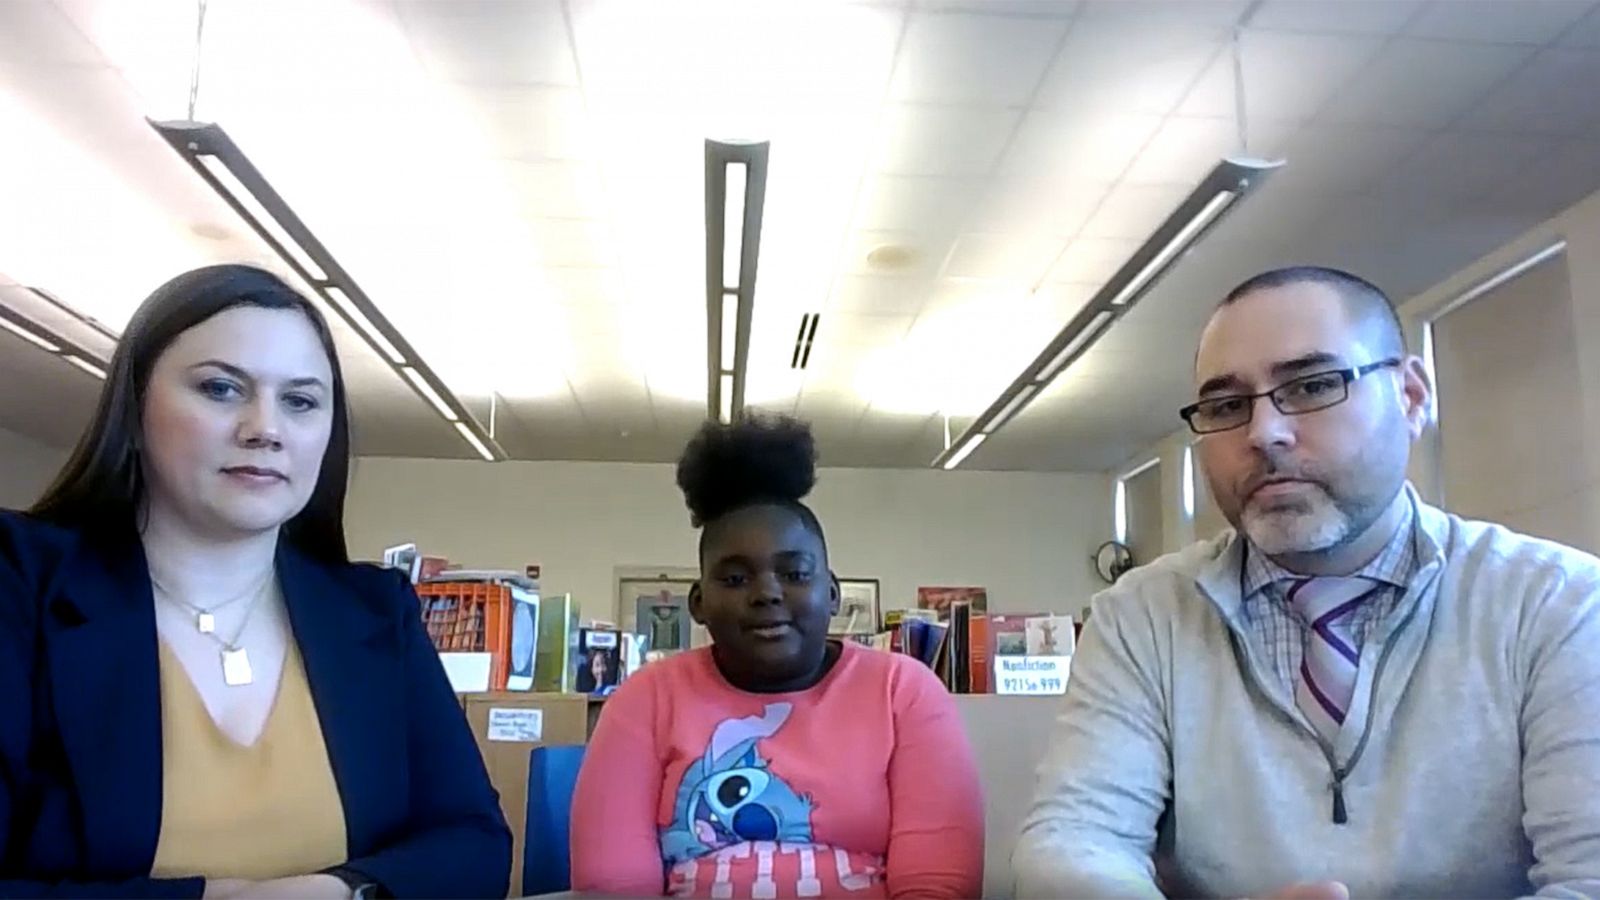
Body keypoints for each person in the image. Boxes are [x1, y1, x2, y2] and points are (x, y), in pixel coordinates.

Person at [1013, 265, 1600, 898]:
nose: (1263, 433)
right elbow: (1074, 843)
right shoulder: (1144, 616)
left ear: (1411, 396)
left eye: (1314, 385)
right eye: (1227, 406)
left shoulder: (1559, 603)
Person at [0, 265, 511, 898]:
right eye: (220, 389)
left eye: (299, 401)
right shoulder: (19, 583)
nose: (265, 428)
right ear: (135, 405)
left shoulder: (375, 613)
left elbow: (475, 844)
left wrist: (337, 893)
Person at [570, 415, 984, 898]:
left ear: (832, 594)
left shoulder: (904, 692)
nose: (766, 593)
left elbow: (936, 886)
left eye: (794, 573)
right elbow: (612, 887)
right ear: (698, 603)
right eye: (734, 578)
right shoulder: (645, 699)